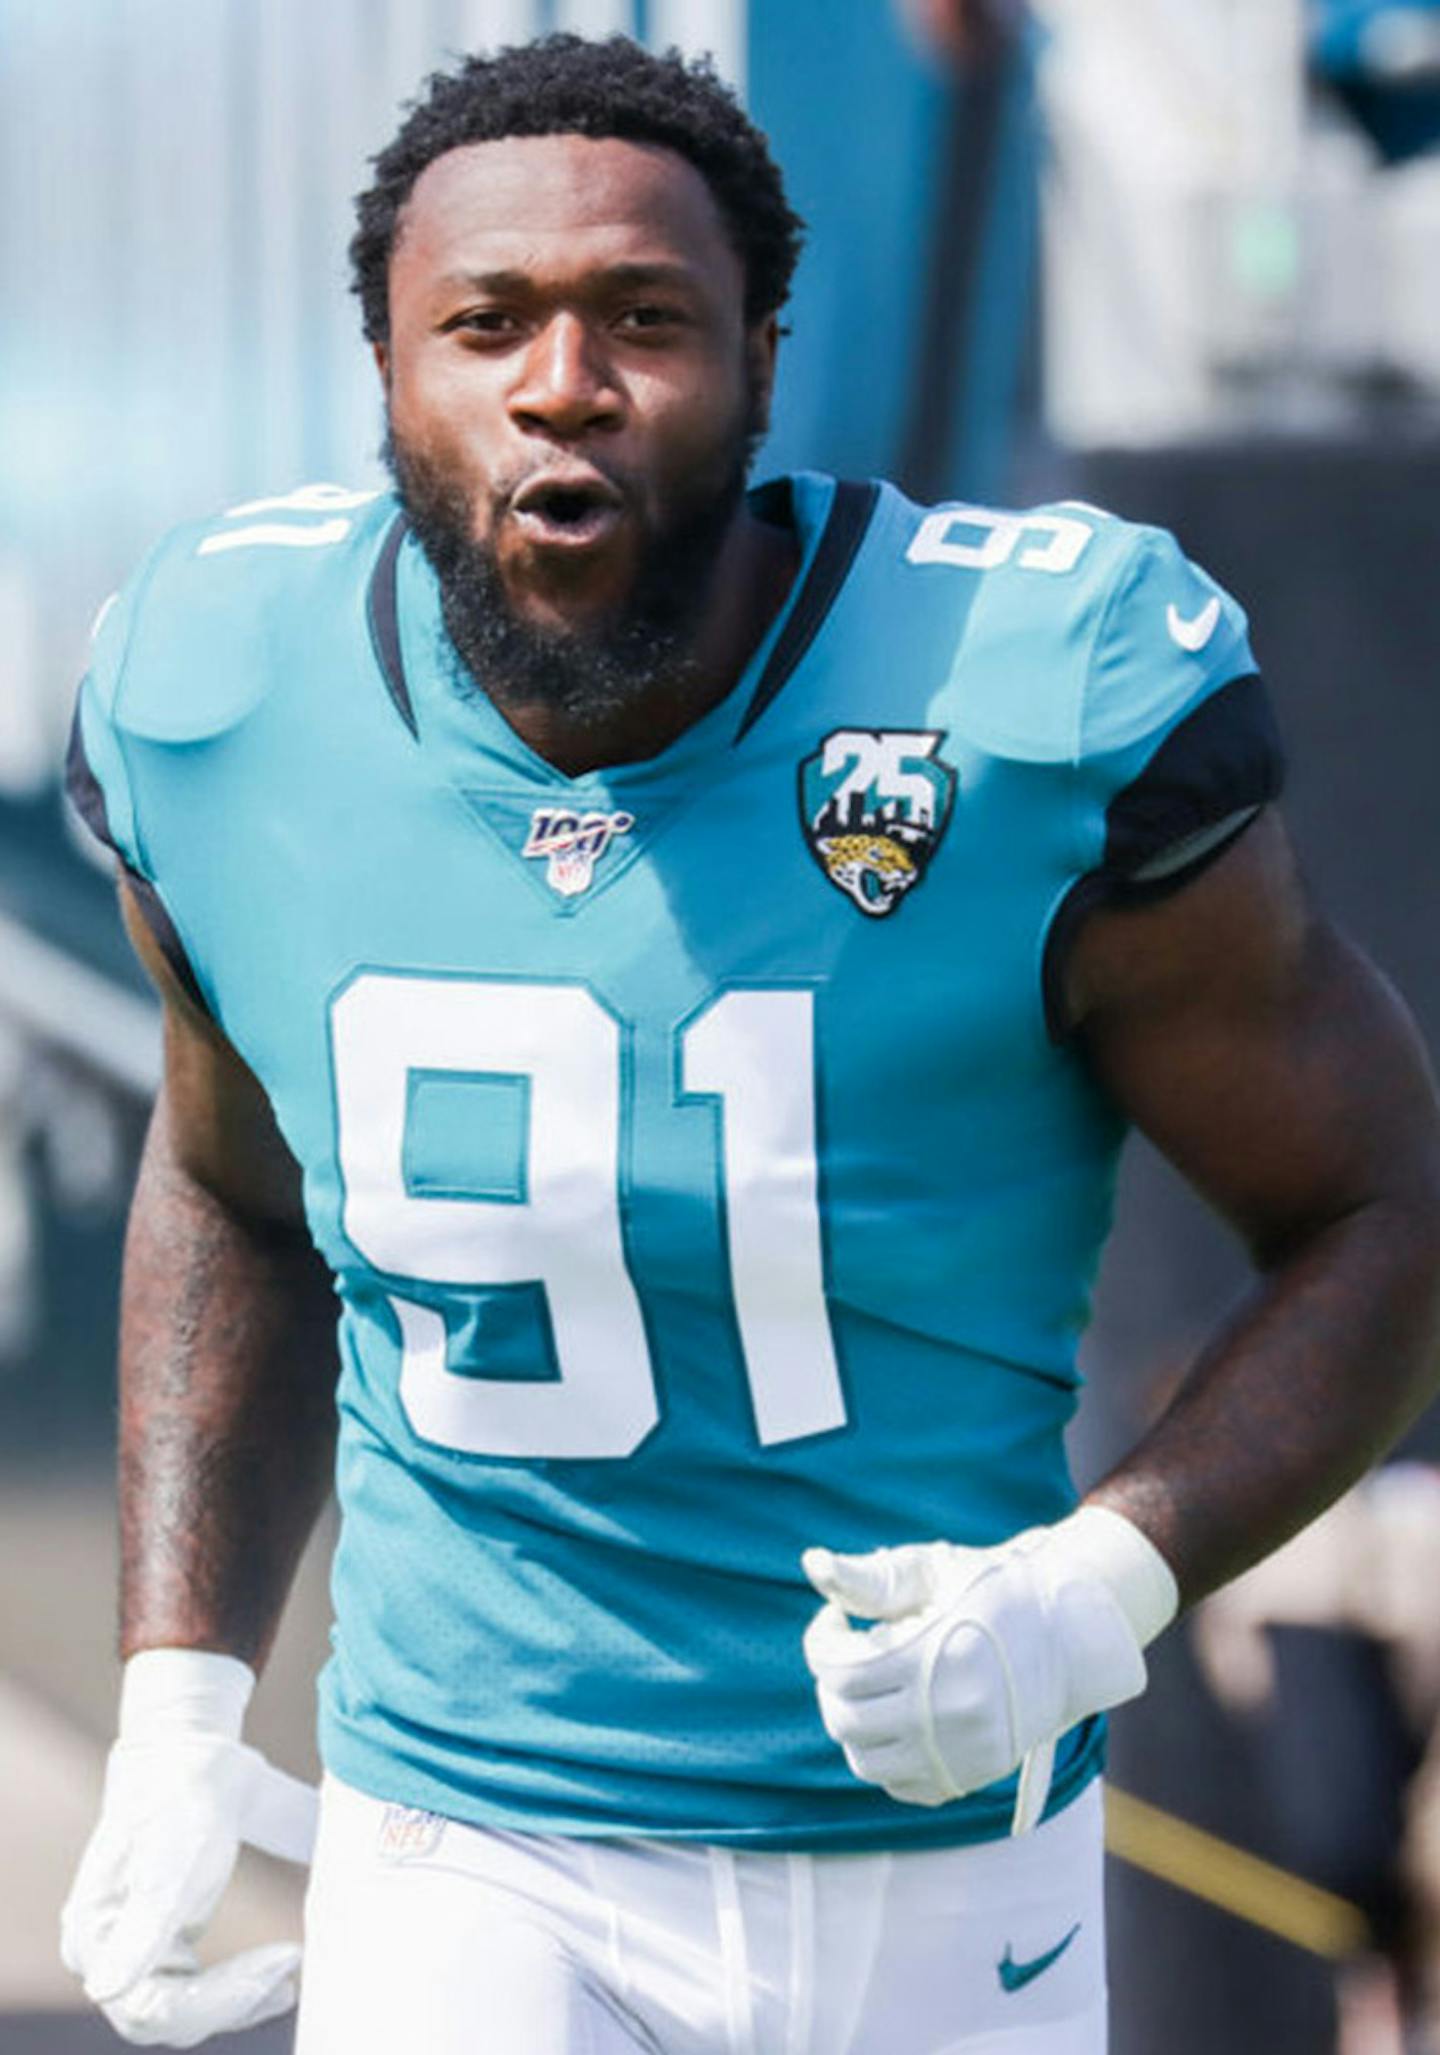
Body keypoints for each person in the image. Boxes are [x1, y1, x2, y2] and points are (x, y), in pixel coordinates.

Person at [57, 32, 1440, 2055]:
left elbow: (1381, 1206)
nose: (561, 381)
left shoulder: (1028, 690)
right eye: (486, 321)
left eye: (644, 317)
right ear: (386, 371)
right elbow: (227, 1178)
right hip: (474, 1844)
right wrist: (182, 1698)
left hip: (943, 1855)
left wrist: (1095, 1582)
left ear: (766, 357)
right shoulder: (222, 688)